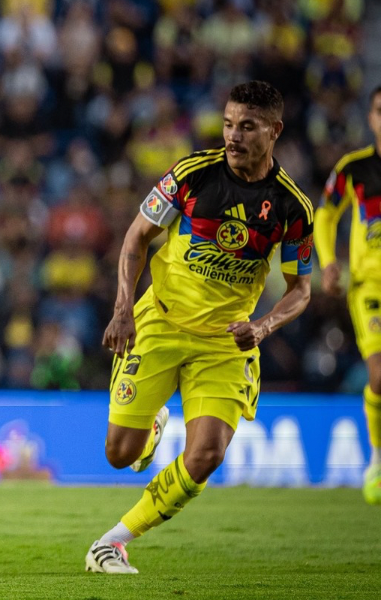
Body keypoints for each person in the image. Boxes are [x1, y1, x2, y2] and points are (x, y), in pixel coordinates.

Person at [87, 81, 313, 574]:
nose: (233, 135)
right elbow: (137, 237)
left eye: (247, 126)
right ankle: (148, 433)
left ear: (274, 131)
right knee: (118, 455)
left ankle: (113, 541)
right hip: (160, 322)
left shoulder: (292, 207)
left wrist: (265, 325)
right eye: (229, 123)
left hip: (225, 343)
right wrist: (124, 307)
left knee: (206, 453)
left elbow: (301, 289)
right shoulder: (192, 173)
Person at [313, 85, 381, 506]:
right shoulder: (354, 169)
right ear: (371, 118)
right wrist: (328, 261)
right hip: (370, 287)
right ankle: (377, 459)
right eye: (380, 110)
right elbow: (325, 213)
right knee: (379, 375)